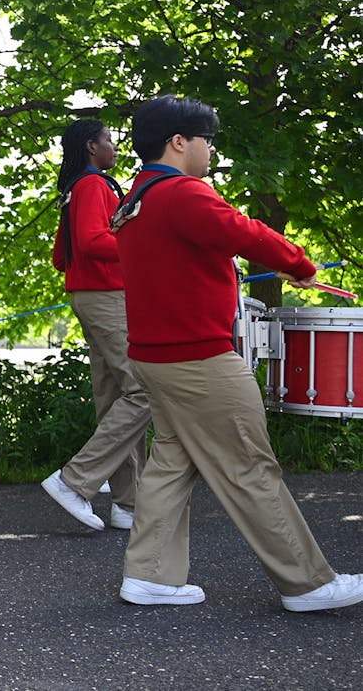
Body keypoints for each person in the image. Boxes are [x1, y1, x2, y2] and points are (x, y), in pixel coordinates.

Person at [113, 94, 362, 611]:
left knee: (172, 460)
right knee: (249, 464)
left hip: (156, 356)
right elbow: (243, 230)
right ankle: (307, 583)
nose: (211, 152)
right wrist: (301, 263)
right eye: (208, 141)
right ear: (180, 142)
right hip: (199, 360)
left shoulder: (136, 198)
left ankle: (151, 575)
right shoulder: (184, 192)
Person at [40, 119, 151, 531]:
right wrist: (141, 249)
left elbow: (62, 254)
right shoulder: (93, 185)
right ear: (91, 146)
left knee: (116, 399)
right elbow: (89, 243)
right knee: (144, 391)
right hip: (108, 298)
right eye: (108, 139)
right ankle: (74, 481)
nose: (115, 146)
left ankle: (128, 503)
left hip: (93, 296)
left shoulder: (77, 187)